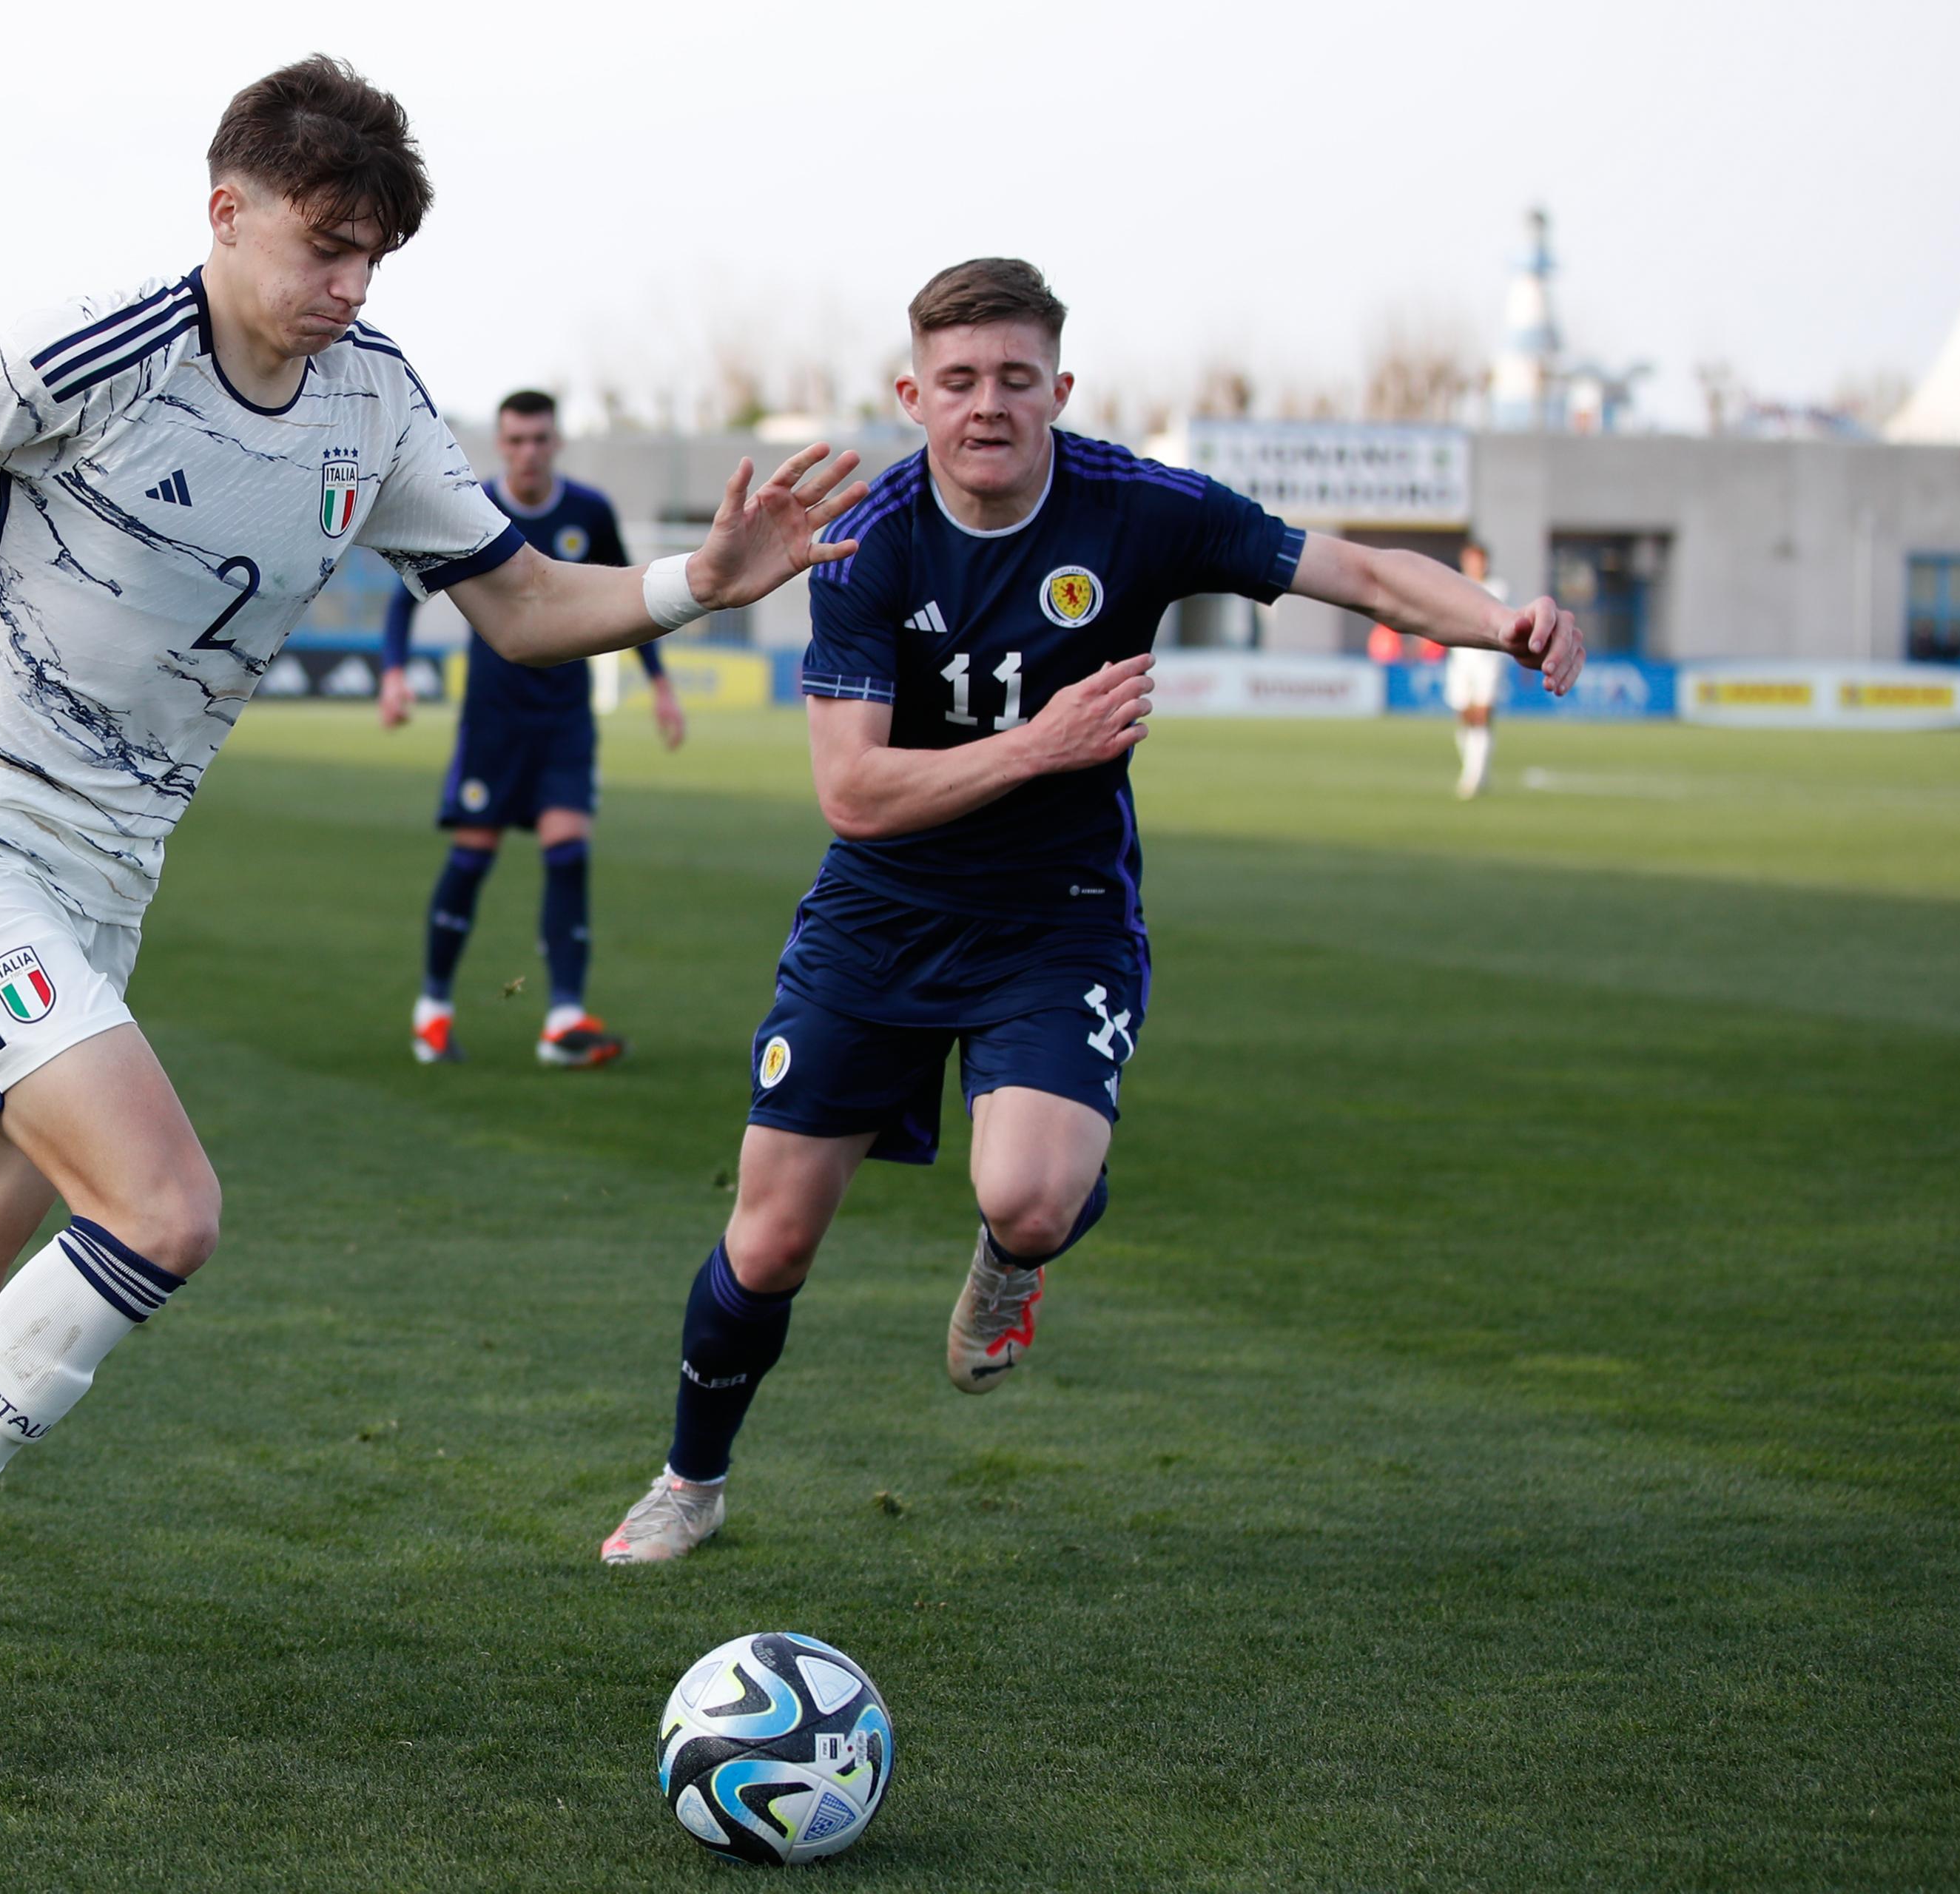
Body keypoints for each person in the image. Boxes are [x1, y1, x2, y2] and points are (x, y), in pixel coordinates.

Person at [0, 57, 866, 1725]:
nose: (350, 284)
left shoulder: (372, 400)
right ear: (226, 211)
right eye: (325, 243)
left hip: (101, 887)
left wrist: (692, 583)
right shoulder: (98, 351)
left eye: (377, 256)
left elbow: (514, 603)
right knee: (163, 1209)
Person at [597, 257, 1582, 1564]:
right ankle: (691, 1483)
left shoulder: (1136, 506)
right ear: (914, 394)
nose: (988, 405)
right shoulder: (868, 539)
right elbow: (853, 794)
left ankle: (1013, 1263)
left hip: (1058, 918)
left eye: (1017, 378)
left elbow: (1349, 571)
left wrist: (1498, 622)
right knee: (770, 1240)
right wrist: (1043, 743)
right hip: (879, 920)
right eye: (958, 382)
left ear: (1061, 387)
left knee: (1036, 1201)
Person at [377, 389, 684, 1068]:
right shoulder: (471, 509)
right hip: (494, 717)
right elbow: (406, 601)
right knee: (474, 854)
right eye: (515, 441)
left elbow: (634, 598)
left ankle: (565, 1022)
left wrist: (661, 687)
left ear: (557, 442)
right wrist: (394, 672)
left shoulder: (589, 513)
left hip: (565, 715)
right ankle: (433, 1010)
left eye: (539, 440)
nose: (528, 453)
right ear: (501, 445)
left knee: (569, 850)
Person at [1445, 540, 1512, 797]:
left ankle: (1474, 776)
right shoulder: (1455, 584)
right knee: (1464, 716)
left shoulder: (1498, 588)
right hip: (1461, 661)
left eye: (1478, 560)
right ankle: (1474, 769)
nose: (1474, 565)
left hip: (1487, 662)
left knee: (1482, 715)